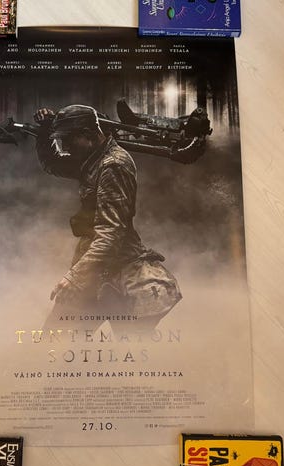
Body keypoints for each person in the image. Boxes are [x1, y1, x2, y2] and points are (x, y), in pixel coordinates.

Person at [34, 105, 181, 329]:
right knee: (56, 338)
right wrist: (45, 131)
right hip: (97, 265)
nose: (66, 147)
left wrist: (75, 277)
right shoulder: (91, 157)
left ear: (88, 135)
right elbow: (53, 163)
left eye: (69, 140)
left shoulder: (113, 165)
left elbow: (111, 232)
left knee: (129, 343)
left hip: (118, 268)